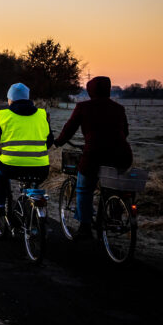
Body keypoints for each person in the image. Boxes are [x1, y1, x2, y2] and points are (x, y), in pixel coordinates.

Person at [54, 76, 132, 239]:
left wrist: (58, 142)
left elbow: (69, 128)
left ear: (90, 91)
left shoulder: (83, 107)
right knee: (113, 186)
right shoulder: (118, 108)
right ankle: (114, 216)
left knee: (83, 188)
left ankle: (85, 227)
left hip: (94, 154)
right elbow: (125, 132)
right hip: (122, 154)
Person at [0, 82, 54, 217]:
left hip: (11, 167)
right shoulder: (42, 115)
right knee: (33, 182)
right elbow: (49, 142)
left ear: (11, 99)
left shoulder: (4, 116)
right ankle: (33, 212)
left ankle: (0, 204)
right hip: (41, 168)